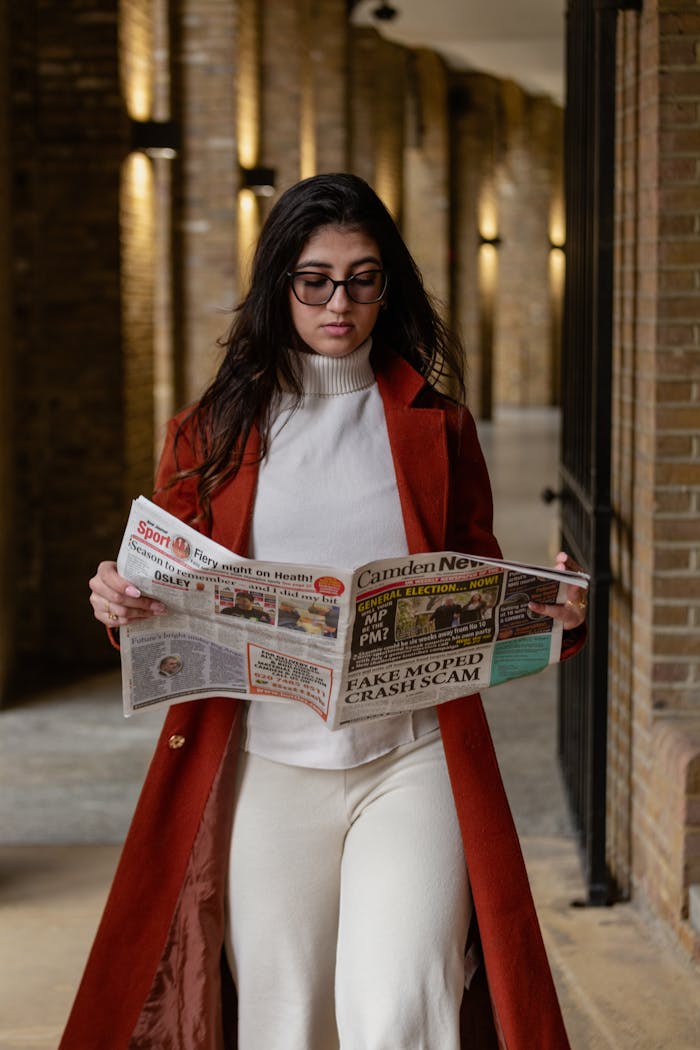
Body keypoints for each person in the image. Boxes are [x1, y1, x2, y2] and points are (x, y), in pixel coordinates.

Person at [64, 173, 587, 1050]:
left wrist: (547, 610)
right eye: (315, 279)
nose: (338, 302)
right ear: (279, 284)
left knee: (397, 1012)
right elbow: (165, 595)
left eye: (362, 278)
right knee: (286, 1022)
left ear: (389, 285)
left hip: (412, 760)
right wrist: (121, 602)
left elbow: (478, 583)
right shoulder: (210, 432)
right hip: (266, 768)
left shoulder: (439, 428)